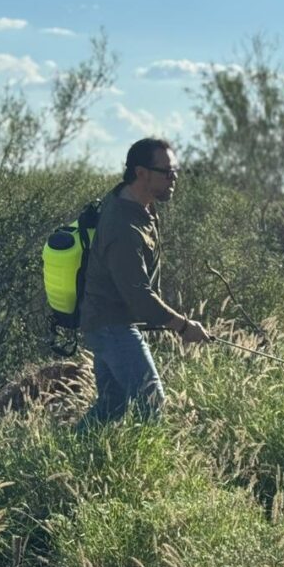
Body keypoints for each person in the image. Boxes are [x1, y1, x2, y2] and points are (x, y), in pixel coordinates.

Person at [77, 137, 212, 427]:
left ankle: (71, 455)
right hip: (112, 326)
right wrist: (185, 327)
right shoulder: (123, 228)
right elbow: (139, 296)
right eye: (167, 172)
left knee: (112, 406)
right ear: (141, 173)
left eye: (176, 171)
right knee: (152, 401)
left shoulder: (140, 205)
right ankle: (150, 467)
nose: (173, 179)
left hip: (106, 322)